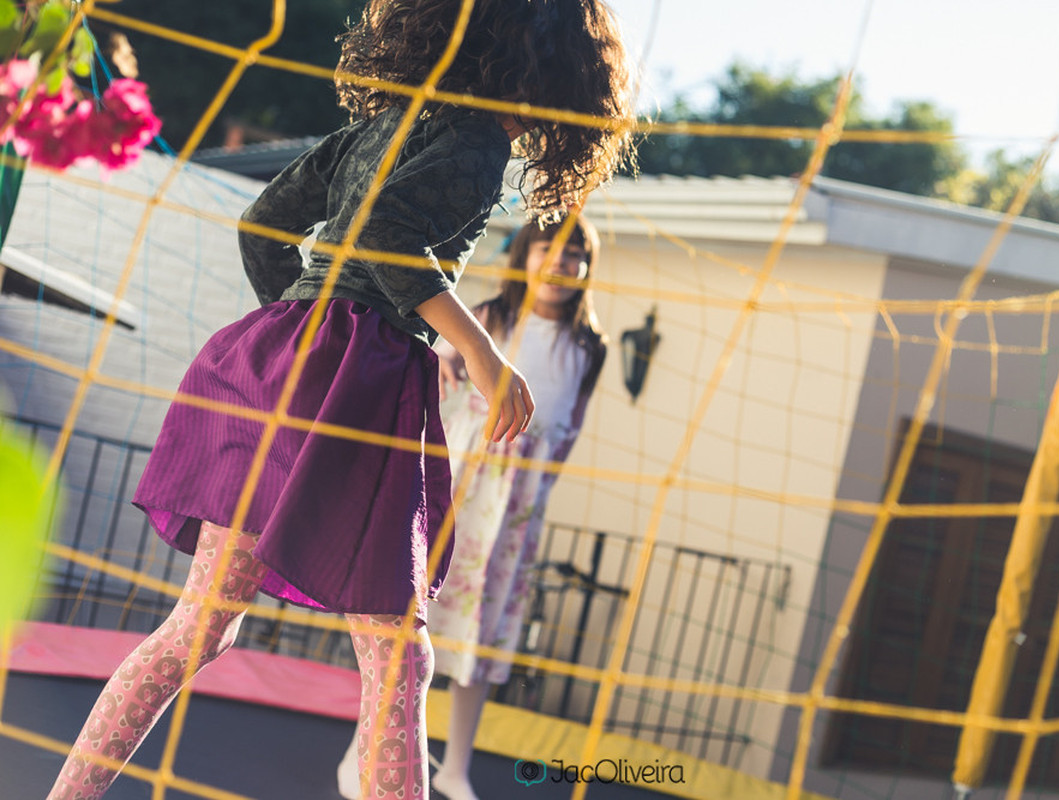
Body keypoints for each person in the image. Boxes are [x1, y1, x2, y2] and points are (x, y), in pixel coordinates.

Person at [45, 0, 633, 797]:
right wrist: (483, 352)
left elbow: (262, 225)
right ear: (556, 67)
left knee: (199, 629)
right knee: (400, 657)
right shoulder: (474, 142)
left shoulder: (377, 127)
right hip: (358, 380)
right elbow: (389, 236)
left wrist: (302, 321)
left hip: (274, 361)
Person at [337, 215, 608, 800]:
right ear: (524, 258)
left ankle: (455, 766)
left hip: (512, 510)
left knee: (481, 632)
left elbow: (569, 432)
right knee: (409, 618)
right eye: (548, 251)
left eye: (574, 256)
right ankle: (364, 745)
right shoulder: (488, 319)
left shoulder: (590, 347)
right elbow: (433, 384)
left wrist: (533, 496)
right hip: (456, 486)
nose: (560, 265)